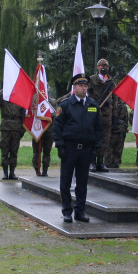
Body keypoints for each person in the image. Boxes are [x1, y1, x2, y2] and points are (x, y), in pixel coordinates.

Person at [52, 73, 102, 222]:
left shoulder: (93, 105)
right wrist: (60, 145)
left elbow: (98, 128)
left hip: (86, 149)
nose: (84, 88)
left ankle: (80, 211)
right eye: (81, 86)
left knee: (82, 182)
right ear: (74, 88)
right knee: (66, 181)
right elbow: (57, 126)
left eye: (86, 86)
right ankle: (67, 211)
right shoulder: (66, 105)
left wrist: (96, 147)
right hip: (69, 148)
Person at [0, 87, 26, 180]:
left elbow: (24, 115)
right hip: (6, 128)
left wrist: (22, 129)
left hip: (16, 128)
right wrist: (4, 90)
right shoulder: (5, 97)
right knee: (5, 150)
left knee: (14, 151)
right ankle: (5, 172)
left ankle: (12, 172)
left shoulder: (20, 99)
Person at [87, 58, 114, 173]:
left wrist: (113, 106)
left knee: (105, 138)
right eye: (102, 66)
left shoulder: (111, 81)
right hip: (94, 111)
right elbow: (87, 94)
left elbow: (115, 96)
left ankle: (100, 162)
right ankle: (92, 161)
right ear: (98, 67)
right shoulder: (92, 79)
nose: (104, 68)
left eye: (106, 66)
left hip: (107, 113)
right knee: (94, 137)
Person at [105, 99, 129, 169]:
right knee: (108, 152)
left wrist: (123, 130)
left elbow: (125, 120)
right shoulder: (108, 104)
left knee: (118, 152)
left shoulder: (122, 106)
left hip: (119, 132)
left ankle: (116, 166)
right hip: (110, 132)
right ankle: (108, 166)